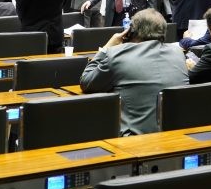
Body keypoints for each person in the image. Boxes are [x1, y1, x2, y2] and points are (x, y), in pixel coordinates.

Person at [80, 8, 188, 136]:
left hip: (133, 138)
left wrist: (106, 48)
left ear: (131, 31)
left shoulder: (116, 55)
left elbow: (86, 81)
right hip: (175, 136)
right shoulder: (178, 53)